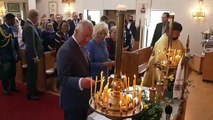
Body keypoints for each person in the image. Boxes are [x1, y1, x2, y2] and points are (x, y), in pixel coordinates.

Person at [57, 20, 94, 120]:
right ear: (76, 31)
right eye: (85, 35)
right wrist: (81, 82)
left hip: (81, 98)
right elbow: (62, 78)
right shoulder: (66, 50)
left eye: (90, 36)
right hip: (72, 100)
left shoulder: (81, 45)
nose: (87, 40)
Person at [143, 22, 185, 87]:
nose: (179, 35)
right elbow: (161, 61)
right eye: (176, 33)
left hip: (175, 69)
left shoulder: (177, 42)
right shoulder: (162, 42)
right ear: (169, 31)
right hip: (160, 71)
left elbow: (183, 53)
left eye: (179, 33)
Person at [23, 9, 43, 100]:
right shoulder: (29, 27)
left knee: (33, 74)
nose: (38, 19)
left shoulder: (29, 25)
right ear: (34, 17)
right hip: (32, 55)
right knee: (31, 74)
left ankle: (34, 90)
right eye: (37, 17)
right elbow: (30, 44)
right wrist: (35, 56)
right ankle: (31, 93)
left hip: (31, 54)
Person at [0, 13, 20, 95]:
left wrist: (18, 52)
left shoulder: (12, 28)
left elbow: (15, 41)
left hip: (12, 54)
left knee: (13, 71)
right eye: (13, 20)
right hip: (4, 54)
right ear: (8, 20)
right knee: (5, 72)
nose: (14, 22)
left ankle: (13, 86)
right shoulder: (1, 29)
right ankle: (5, 88)